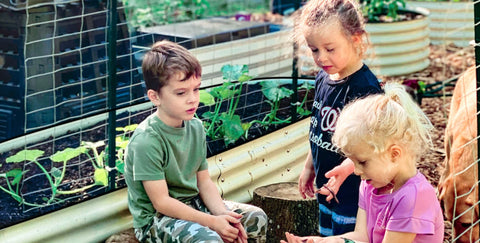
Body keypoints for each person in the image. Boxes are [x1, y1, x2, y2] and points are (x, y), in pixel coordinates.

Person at [124, 40, 267, 243]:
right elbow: (161, 202)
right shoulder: (146, 140)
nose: (192, 99)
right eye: (181, 92)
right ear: (155, 97)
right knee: (208, 239)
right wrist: (211, 222)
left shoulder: (195, 127)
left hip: (195, 204)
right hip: (157, 221)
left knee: (256, 218)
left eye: (196, 89)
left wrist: (222, 216)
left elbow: (204, 181)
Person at [282, 83, 445, 243]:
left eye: (362, 162)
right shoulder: (370, 185)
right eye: (352, 161)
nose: (356, 171)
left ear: (394, 154)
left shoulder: (413, 197)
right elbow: (361, 237)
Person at [293, 0, 382, 236]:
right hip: (327, 188)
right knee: (326, 235)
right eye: (314, 50)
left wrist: (346, 168)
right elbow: (319, 131)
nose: (321, 58)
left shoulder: (365, 88)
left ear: (355, 39)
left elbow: (375, 146)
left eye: (330, 49)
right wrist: (309, 167)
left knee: (346, 237)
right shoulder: (323, 78)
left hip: (353, 195)